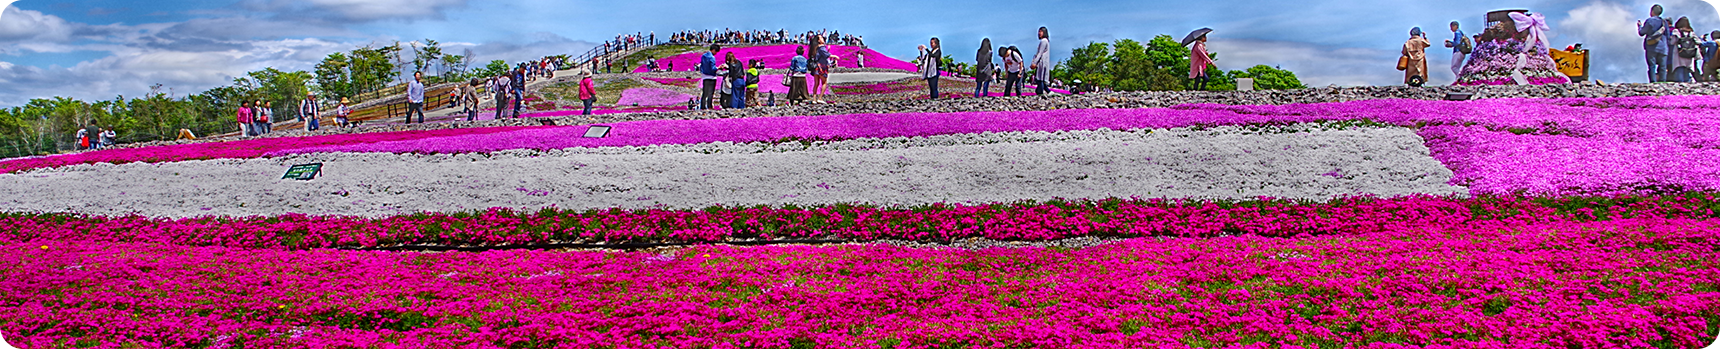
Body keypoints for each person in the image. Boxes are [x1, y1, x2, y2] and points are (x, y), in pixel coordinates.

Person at [1638, 5, 1670, 82]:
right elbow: (1668, 35)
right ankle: (1663, 82)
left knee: (1652, 66)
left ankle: (1653, 82)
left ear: (1652, 11)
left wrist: (1640, 26)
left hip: (1651, 46)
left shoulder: (1650, 21)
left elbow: (1642, 33)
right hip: (1663, 47)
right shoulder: (1664, 22)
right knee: (1662, 67)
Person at [1671, 17, 1698, 82]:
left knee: (1679, 70)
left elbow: (1673, 42)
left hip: (1679, 54)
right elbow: (1698, 41)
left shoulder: (1676, 31)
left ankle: (1680, 86)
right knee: (1687, 72)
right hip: (1689, 54)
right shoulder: (1691, 32)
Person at [1032, 27, 1052, 96]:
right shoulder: (1046, 41)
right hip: (1043, 61)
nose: (1039, 33)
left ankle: (1043, 92)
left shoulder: (1043, 41)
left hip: (1042, 62)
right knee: (1041, 78)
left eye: (1040, 32)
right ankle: (1048, 91)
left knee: (1040, 78)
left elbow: (1040, 53)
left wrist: (1034, 63)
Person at [699, 44, 721, 110]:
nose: (716, 54)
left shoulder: (703, 56)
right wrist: (719, 67)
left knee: (705, 92)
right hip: (711, 77)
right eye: (716, 52)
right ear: (714, 50)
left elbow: (701, 66)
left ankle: (702, 106)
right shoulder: (712, 57)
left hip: (704, 76)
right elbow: (713, 68)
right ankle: (709, 106)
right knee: (710, 93)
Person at [811, 36, 832, 103]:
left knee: (816, 83)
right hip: (822, 67)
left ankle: (814, 99)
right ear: (819, 41)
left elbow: (821, 55)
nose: (823, 39)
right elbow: (826, 55)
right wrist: (835, 56)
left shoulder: (815, 48)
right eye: (821, 38)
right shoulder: (822, 47)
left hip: (816, 67)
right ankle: (820, 98)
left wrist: (827, 50)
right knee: (824, 82)